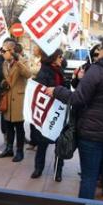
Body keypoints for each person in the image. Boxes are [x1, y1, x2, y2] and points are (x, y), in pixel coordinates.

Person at [48, 34, 103, 199]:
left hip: (91, 134)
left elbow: (78, 99)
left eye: (102, 48)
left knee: (89, 177)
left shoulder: (98, 69)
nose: (100, 51)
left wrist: (57, 90)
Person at [33, 49, 68, 181]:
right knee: (42, 143)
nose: (62, 58)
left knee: (60, 144)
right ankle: (38, 168)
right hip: (47, 112)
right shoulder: (43, 72)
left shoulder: (60, 70)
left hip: (60, 111)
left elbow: (65, 87)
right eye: (60, 56)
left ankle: (58, 171)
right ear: (53, 58)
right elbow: (42, 91)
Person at [0, 41, 31, 162]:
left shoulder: (23, 61)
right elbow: (4, 79)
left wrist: (18, 61)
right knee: (8, 126)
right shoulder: (4, 63)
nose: (2, 53)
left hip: (19, 98)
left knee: (19, 127)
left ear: (12, 51)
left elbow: (28, 74)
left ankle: (20, 151)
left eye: (4, 51)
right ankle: (9, 149)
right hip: (8, 97)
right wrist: (3, 83)